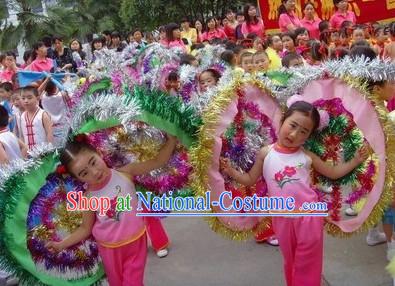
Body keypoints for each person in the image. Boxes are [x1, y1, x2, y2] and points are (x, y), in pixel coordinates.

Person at [222, 101, 369, 286]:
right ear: (282, 121)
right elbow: (250, 179)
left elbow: (332, 172)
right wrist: (231, 172)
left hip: (308, 217)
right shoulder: (265, 153)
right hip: (281, 217)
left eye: (303, 131)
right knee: (290, 260)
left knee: (308, 263)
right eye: (292, 125)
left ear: (308, 136)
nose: (294, 134)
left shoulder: (307, 156)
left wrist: (355, 160)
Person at [46, 134, 177, 285]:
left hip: (136, 242)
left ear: (99, 153)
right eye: (84, 173)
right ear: (78, 178)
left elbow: (157, 161)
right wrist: (60, 244)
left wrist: (172, 140)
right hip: (108, 249)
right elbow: (85, 228)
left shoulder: (125, 173)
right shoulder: (89, 197)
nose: (94, 172)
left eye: (93, 162)